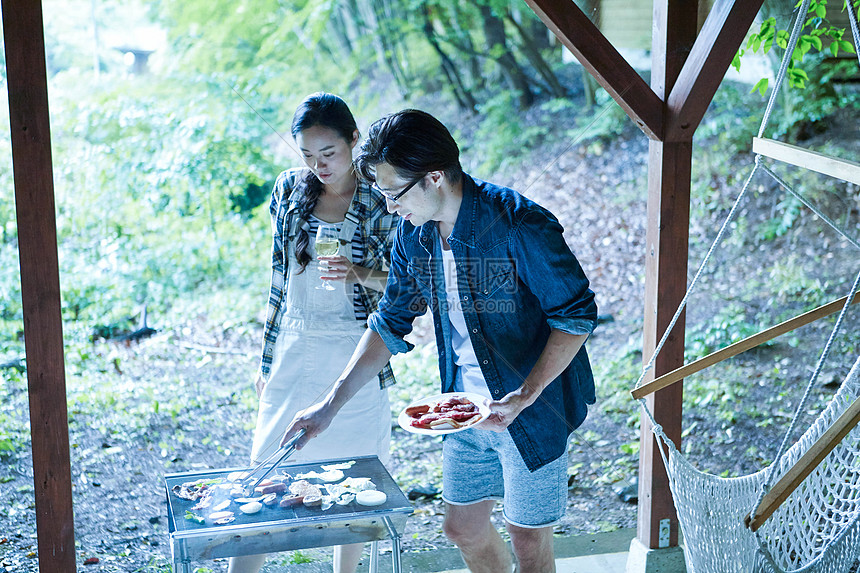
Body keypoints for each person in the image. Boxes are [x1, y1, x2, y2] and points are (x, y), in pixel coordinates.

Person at [281, 109, 598, 573]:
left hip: (533, 408)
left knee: (530, 544)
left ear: (434, 177)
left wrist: (525, 395)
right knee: (462, 529)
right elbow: (390, 322)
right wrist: (328, 407)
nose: (390, 208)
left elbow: (575, 316)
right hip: (463, 406)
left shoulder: (518, 225)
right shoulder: (415, 236)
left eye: (393, 193)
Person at [228, 93, 399, 573]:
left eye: (329, 154)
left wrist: (358, 272)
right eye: (307, 155)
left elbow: (411, 289)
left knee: (358, 477)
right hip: (294, 344)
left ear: (354, 140)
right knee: (263, 470)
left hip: (355, 348)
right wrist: (266, 363)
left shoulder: (380, 197)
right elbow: (277, 285)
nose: (318, 165)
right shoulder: (288, 190)